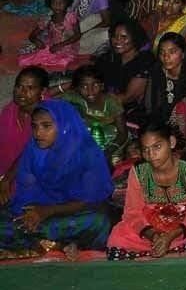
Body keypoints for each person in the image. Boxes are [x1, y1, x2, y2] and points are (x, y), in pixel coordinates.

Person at [0, 100, 113, 260]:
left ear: (65, 126)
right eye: (35, 126)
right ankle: (58, 244)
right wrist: (31, 213)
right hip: (43, 214)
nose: (38, 133)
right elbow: (26, 193)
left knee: (99, 223)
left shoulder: (87, 153)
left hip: (74, 213)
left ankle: (45, 243)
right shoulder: (34, 149)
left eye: (46, 126)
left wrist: (48, 211)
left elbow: (89, 200)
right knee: (14, 223)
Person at [106, 121, 186, 260]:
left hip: (185, 223)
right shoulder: (138, 171)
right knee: (118, 234)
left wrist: (171, 235)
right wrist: (153, 235)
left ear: (171, 143)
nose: (151, 154)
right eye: (145, 149)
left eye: (157, 146)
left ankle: (171, 245)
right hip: (152, 223)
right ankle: (170, 247)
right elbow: (132, 212)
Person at [92, 17, 155, 116]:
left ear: (134, 38)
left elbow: (128, 97)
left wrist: (91, 102)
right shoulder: (109, 57)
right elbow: (89, 79)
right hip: (102, 105)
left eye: (124, 37)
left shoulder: (145, 61)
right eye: (114, 36)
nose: (117, 41)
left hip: (130, 113)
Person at [0, 68, 49, 185]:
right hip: (7, 171)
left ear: (43, 91)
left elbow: (36, 150)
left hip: (36, 174)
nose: (22, 92)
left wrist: (8, 178)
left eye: (30, 88)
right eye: (19, 86)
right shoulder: (10, 110)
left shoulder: (48, 115)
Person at [142, 32, 186, 126]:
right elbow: (150, 107)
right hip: (162, 125)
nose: (166, 57)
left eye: (172, 52)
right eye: (162, 52)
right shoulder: (156, 71)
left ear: (183, 54)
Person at [19, 0, 80, 72]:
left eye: (61, 3)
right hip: (51, 45)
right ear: (49, 4)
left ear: (67, 4)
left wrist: (60, 45)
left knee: (63, 62)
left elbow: (77, 35)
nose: (57, 5)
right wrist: (36, 40)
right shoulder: (47, 19)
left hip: (68, 46)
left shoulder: (70, 17)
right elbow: (32, 35)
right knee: (29, 59)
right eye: (54, 3)